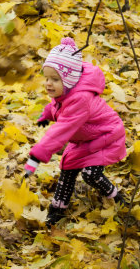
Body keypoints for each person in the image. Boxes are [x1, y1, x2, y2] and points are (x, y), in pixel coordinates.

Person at [24, 37, 127, 228]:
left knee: (90, 174)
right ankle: (58, 208)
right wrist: (47, 113)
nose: (48, 83)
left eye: (55, 79)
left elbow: (62, 128)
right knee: (68, 166)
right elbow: (58, 106)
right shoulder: (67, 92)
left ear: (69, 80)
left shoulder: (80, 99)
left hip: (106, 136)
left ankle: (115, 196)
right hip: (85, 138)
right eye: (46, 78)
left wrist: (37, 155)